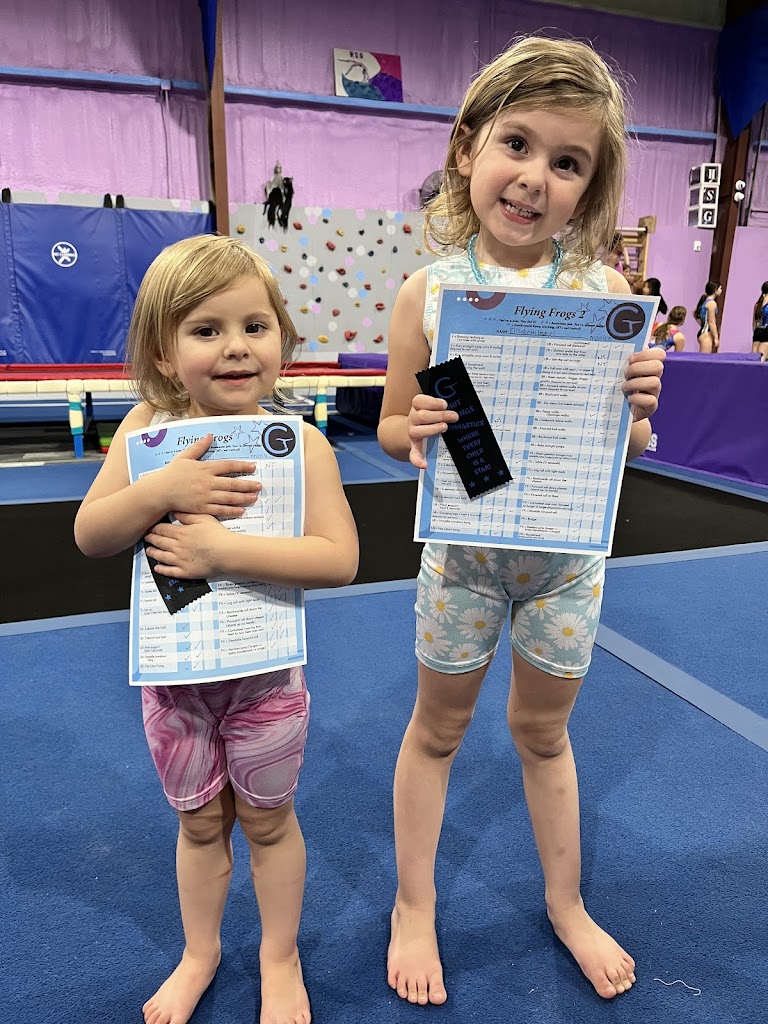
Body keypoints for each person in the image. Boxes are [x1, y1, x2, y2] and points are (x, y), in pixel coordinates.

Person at [377, 36, 665, 1006]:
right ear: (468, 147)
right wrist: (415, 428)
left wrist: (639, 407)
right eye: (517, 144)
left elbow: (626, 447)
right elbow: (392, 426)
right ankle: (413, 903)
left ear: (589, 188)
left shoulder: (607, 297)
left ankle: (565, 901)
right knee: (437, 730)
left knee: (544, 734)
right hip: (463, 557)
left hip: (564, 565)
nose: (536, 177)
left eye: (567, 161)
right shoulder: (428, 294)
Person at [74, 234, 359, 1024]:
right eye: (206, 330)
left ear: (281, 339)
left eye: (254, 326)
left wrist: (221, 552)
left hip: (266, 683)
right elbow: (92, 534)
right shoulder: (146, 431)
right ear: (164, 355)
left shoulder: (301, 444)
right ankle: (200, 953)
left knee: (268, 821)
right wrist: (158, 489)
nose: (236, 347)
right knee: (200, 823)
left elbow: (338, 557)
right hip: (176, 687)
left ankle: (278, 955)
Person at [695, 280, 721, 353]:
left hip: (703, 332)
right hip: (706, 334)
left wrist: (702, 324)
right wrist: (716, 338)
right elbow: (711, 322)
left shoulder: (705, 301)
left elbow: (695, 313)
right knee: (704, 358)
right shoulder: (712, 303)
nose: (721, 290)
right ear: (715, 290)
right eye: (720, 288)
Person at [751, 281, 768, 361]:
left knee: (753, 358)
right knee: (761, 358)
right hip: (766, 330)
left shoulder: (758, 303)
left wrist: (755, 332)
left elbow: (754, 322)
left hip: (757, 331)